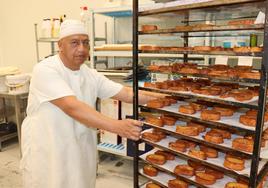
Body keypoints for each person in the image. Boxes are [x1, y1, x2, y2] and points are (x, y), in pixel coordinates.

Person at [20, 19, 163, 188]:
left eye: (85, 43)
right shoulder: (45, 70)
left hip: (79, 146)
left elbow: (126, 93)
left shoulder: (88, 74)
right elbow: (71, 106)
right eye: (74, 43)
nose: (81, 48)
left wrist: (169, 98)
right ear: (60, 45)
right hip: (49, 146)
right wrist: (117, 126)